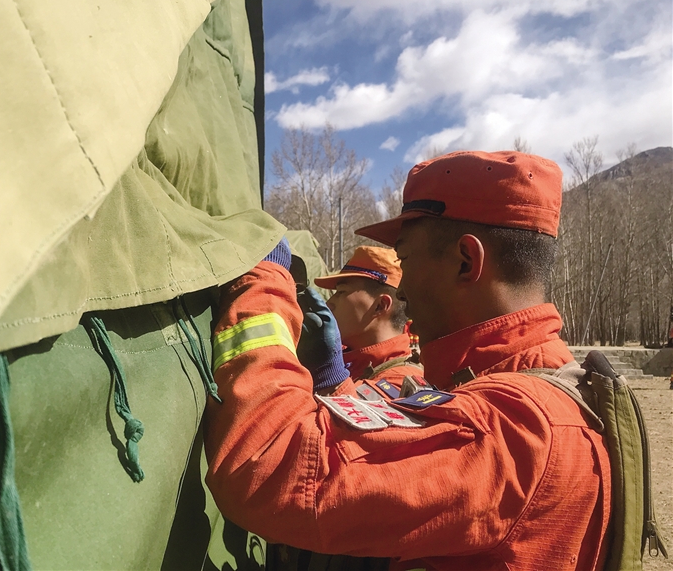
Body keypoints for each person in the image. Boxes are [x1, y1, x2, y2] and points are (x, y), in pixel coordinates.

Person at [204, 151, 611, 570]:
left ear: (466, 261)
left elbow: (270, 469)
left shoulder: (514, 426)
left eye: (407, 260)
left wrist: (265, 284)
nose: (402, 289)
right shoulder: (532, 384)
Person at [313, 246, 425, 398]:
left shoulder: (400, 383)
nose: (329, 303)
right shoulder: (348, 362)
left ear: (380, 306)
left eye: (341, 292)